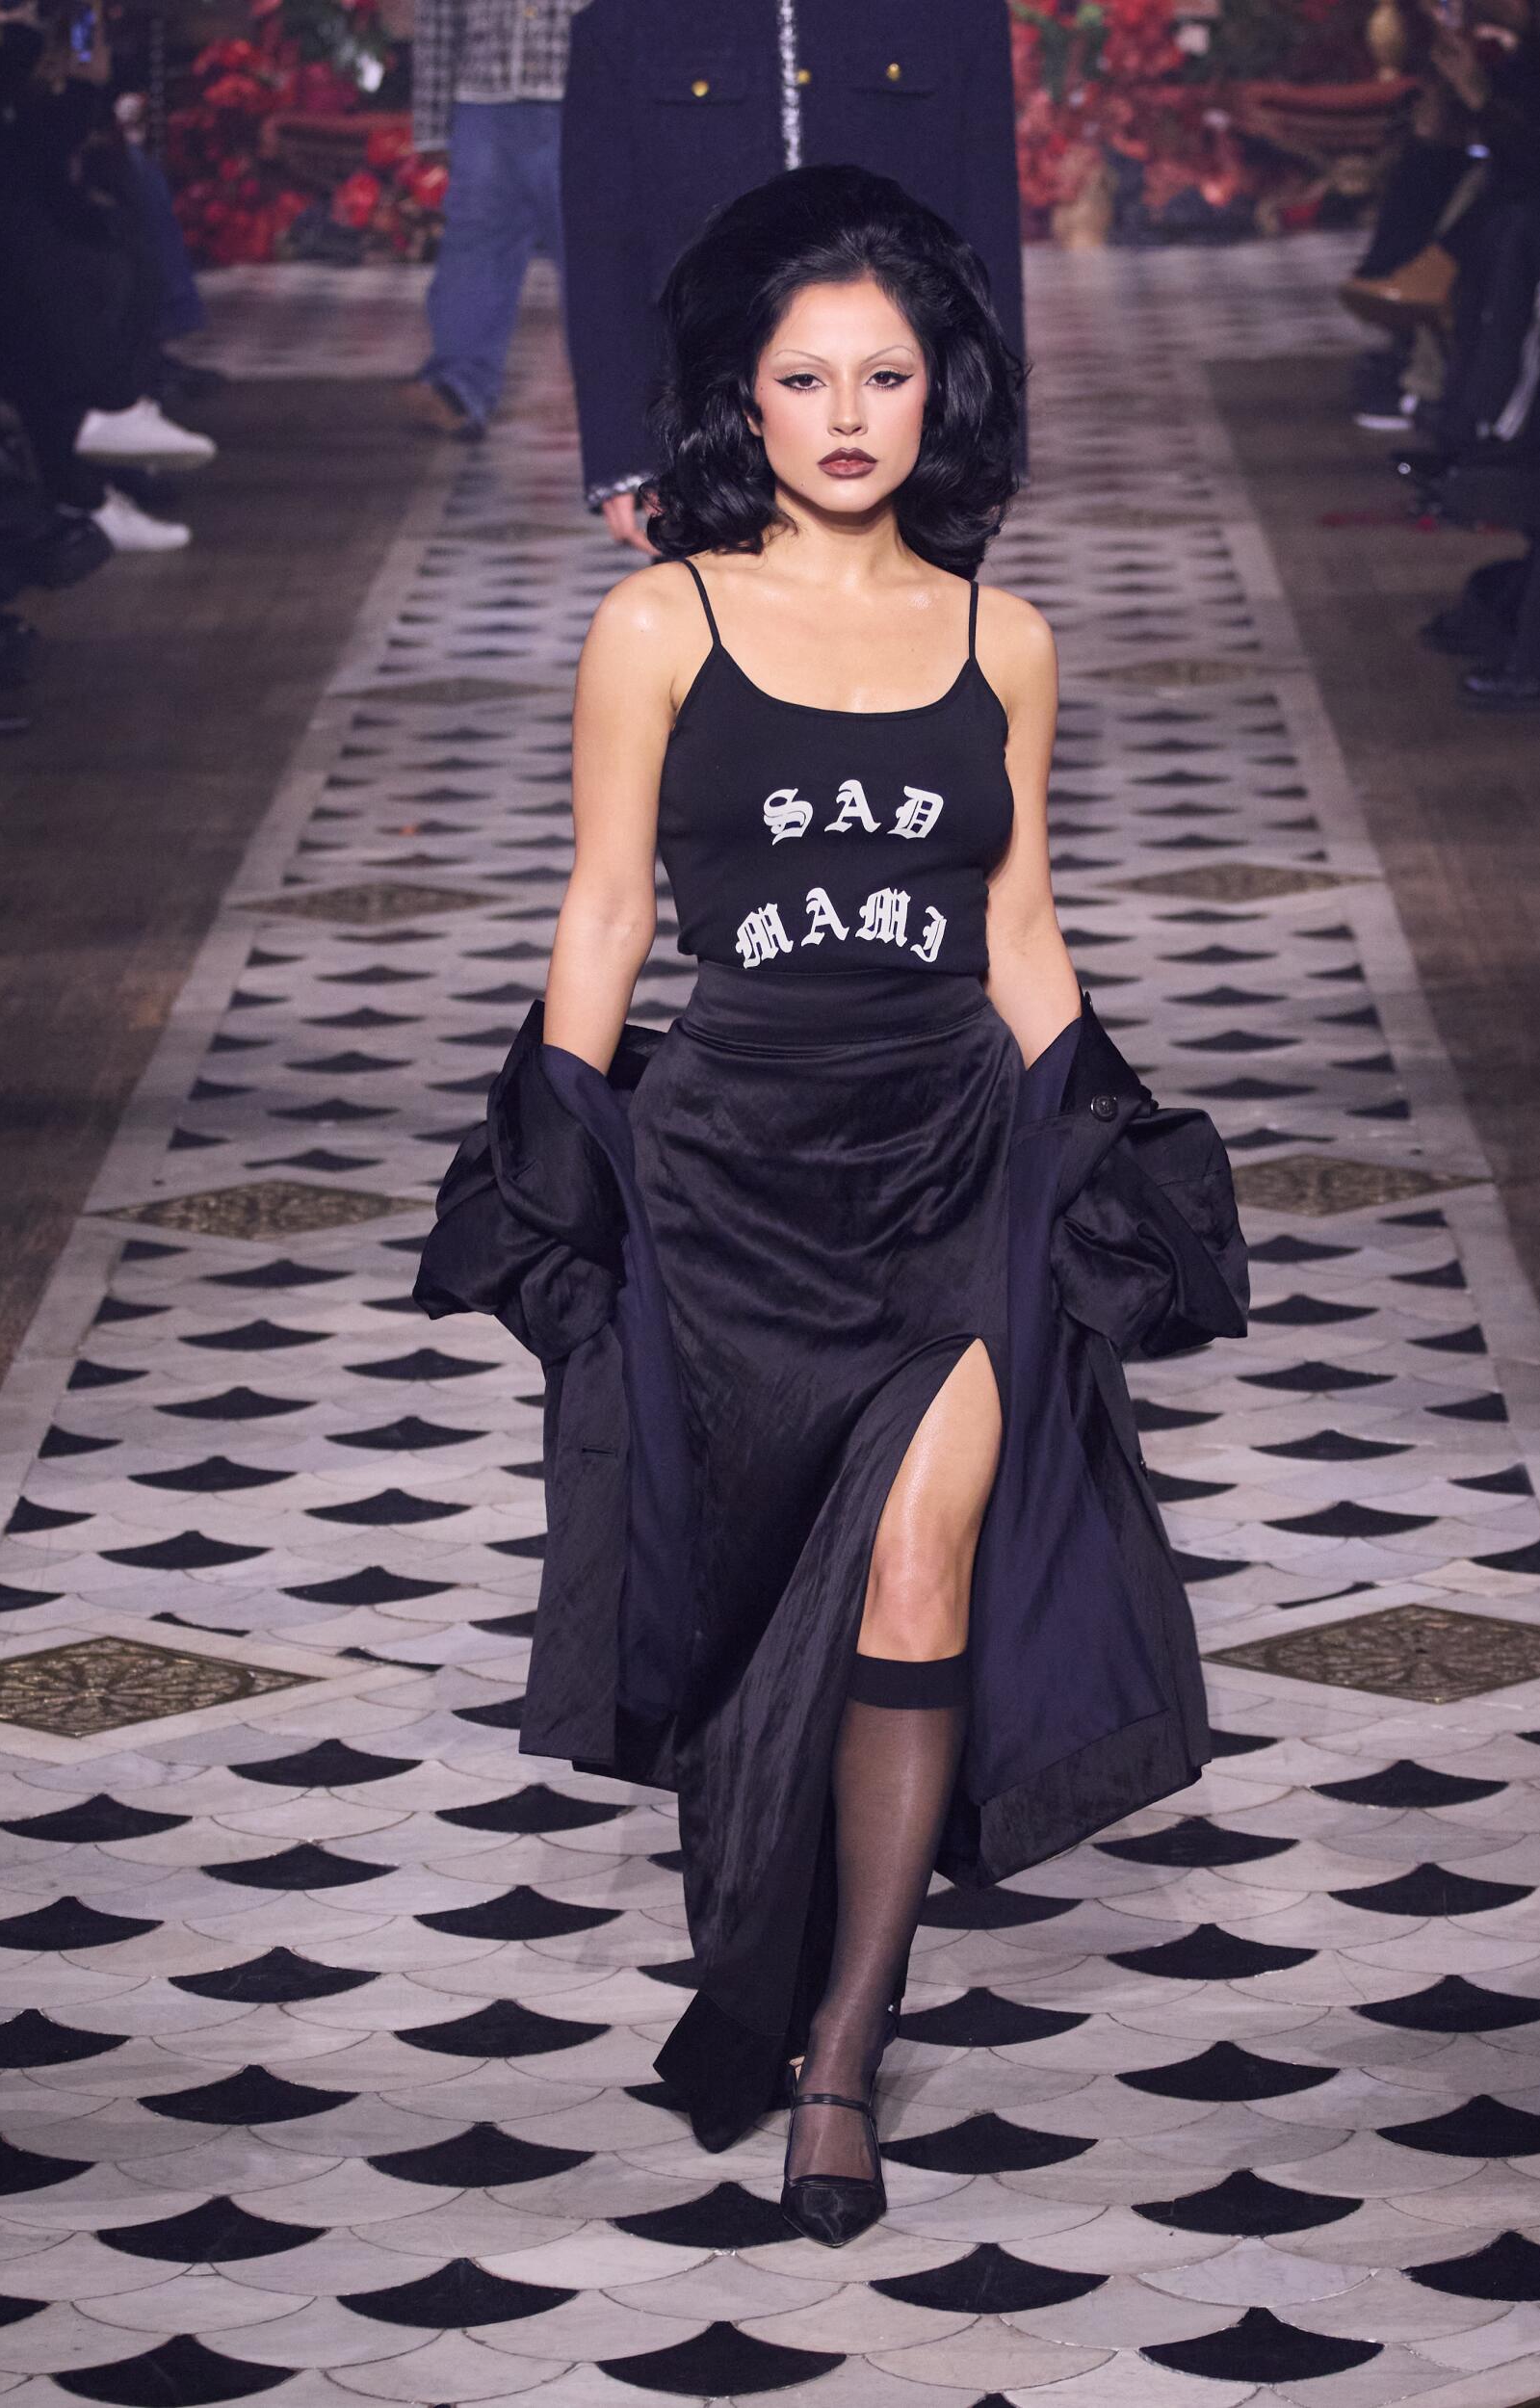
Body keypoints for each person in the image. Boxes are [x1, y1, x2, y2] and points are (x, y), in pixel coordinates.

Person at [417, 166, 1247, 2245]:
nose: (851, 410)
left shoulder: (1005, 636)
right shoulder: (659, 622)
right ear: (748, 402)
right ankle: (772, 1948)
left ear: (937, 391)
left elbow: (1022, 921)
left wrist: (1103, 1144)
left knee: (914, 1574)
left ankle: (845, 2056)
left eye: (886, 372)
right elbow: (608, 903)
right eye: (807, 376)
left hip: (949, 1158)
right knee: (742, 1611)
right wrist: (554, 1148)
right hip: (731, 1174)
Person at [560, 0, 1025, 551]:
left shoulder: (955, 13)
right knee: (713, 623)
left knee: (905, 618)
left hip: (900, 403)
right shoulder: (625, 20)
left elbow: (986, 233)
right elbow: (602, 245)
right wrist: (623, 452)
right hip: (707, 403)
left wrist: (996, 446)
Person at [406, 0, 590, 440]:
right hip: (484, 100)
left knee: (595, 257)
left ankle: (618, 403)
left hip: (585, 94)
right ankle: (459, 387)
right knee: (473, 250)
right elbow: (438, 16)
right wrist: (432, 124)